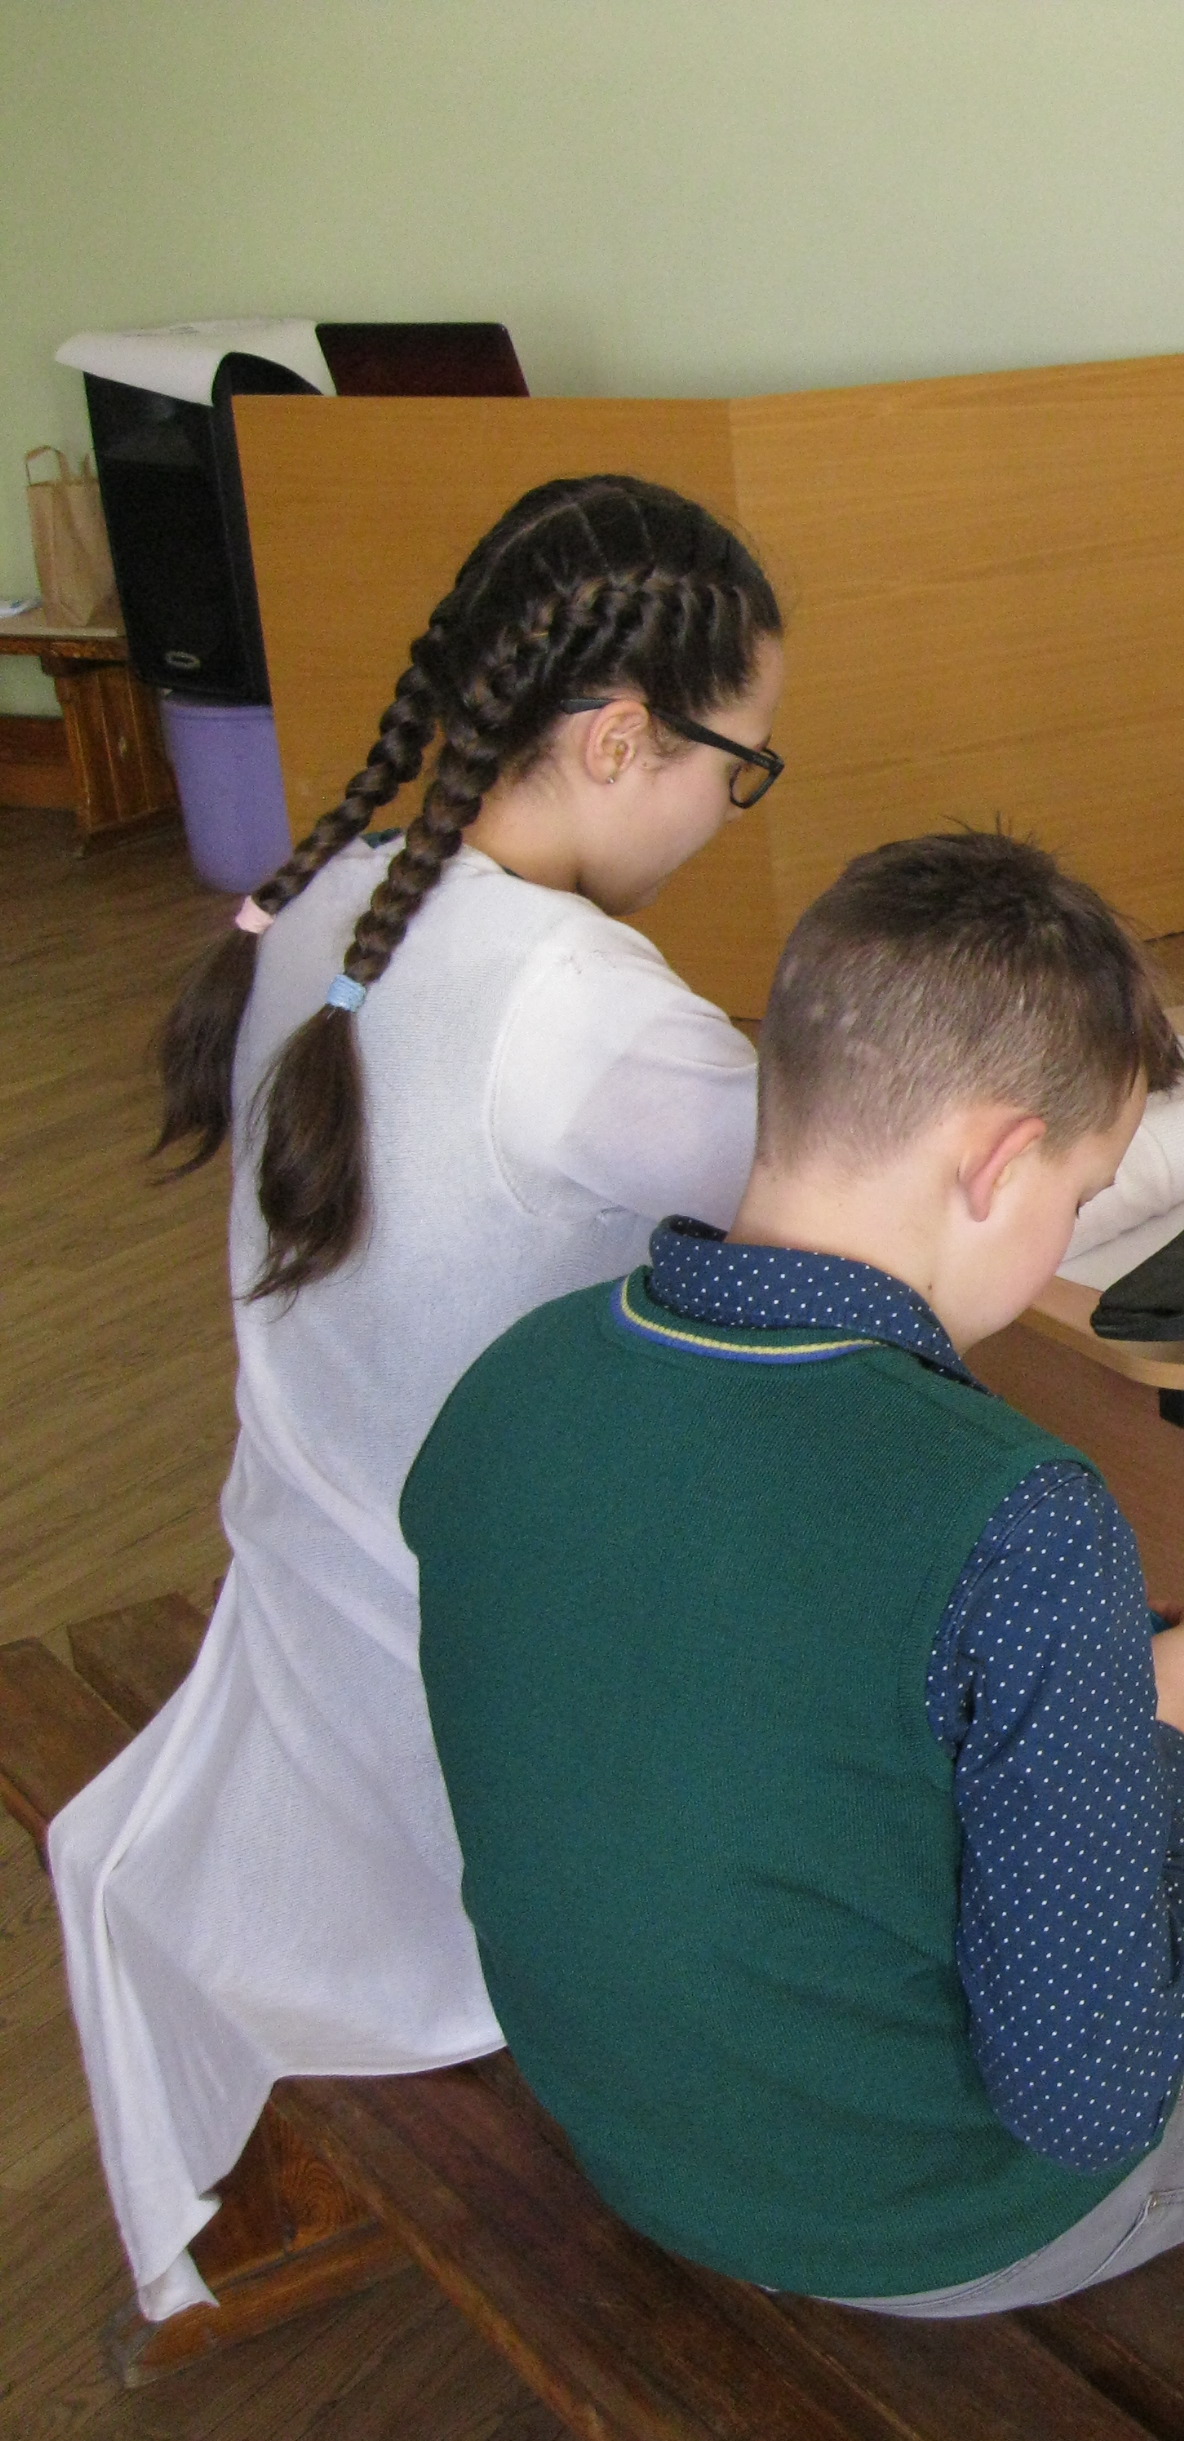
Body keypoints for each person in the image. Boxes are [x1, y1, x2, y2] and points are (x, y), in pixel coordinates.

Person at [405, 834, 1184, 2341]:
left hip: (620, 2113)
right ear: (995, 1164)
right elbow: (1088, 2095)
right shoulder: (1015, 1513)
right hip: (896, 2200)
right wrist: (1163, 1752)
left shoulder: (511, 1377)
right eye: (1079, 1191)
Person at [50, 476, 786, 2321]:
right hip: (477, 1733)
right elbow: (890, 1193)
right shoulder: (587, 1010)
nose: (733, 805)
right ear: (619, 738)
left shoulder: (336, 907)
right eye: (740, 765)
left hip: (320, 1634)